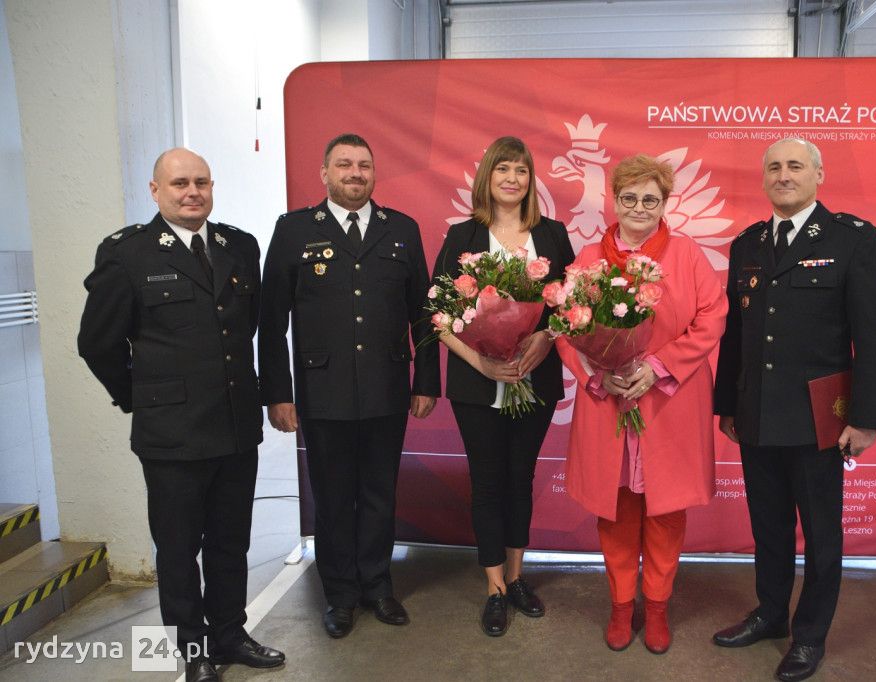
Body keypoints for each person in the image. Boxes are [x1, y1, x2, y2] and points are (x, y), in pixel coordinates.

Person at [78, 148, 285, 682]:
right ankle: (193, 650)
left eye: (201, 182)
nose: (192, 192)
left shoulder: (238, 245)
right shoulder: (127, 254)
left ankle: (230, 634)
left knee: (230, 542)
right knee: (178, 549)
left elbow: (248, 329)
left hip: (235, 426)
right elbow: (97, 343)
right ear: (155, 191)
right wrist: (142, 396)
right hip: (171, 434)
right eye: (179, 184)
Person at [712, 138, 876, 682]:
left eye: (795, 166)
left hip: (821, 420)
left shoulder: (852, 239)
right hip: (757, 413)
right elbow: (736, 334)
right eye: (774, 167)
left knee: (820, 535)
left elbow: (875, 336)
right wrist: (728, 405)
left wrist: (866, 418)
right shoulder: (747, 243)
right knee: (767, 527)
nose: (783, 175)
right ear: (763, 178)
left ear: (819, 174)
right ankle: (770, 613)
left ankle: (809, 635)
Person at [259, 133, 440, 639]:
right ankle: (339, 594)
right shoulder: (294, 230)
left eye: (363, 164)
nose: (355, 173)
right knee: (334, 497)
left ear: (374, 173)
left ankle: (378, 586)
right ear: (325, 173)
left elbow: (423, 314)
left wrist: (426, 380)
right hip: (323, 391)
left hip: (386, 387)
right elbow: (271, 321)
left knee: (380, 493)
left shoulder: (400, 229)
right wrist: (277, 393)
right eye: (344, 164)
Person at [556, 154, 727, 654]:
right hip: (608, 402)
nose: (638, 208)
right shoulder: (589, 257)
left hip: (669, 403)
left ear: (665, 203)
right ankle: (619, 605)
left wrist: (657, 366)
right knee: (615, 512)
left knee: (665, 512)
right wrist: (599, 375)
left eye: (650, 199)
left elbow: (712, 318)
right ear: (614, 200)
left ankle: (656, 607)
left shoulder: (687, 254)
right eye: (629, 197)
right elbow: (565, 326)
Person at [432, 136, 575, 636]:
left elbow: (569, 305)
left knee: (520, 478)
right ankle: (493, 587)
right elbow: (438, 314)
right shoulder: (463, 235)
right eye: (503, 169)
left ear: (531, 180)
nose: (512, 178)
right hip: (478, 385)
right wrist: (482, 362)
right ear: (487, 177)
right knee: (488, 482)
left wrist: (544, 338)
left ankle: (516, 578)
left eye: (521, 170)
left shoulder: (553, 234)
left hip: (535, 381)